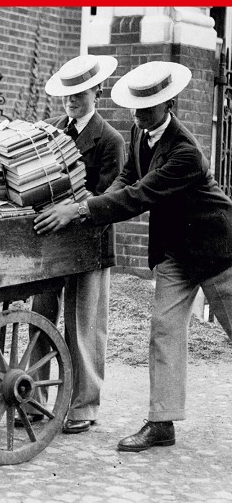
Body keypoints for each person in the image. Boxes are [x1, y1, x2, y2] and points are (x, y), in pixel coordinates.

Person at [34, 60, 232, 452]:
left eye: (147, 107)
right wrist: (91, 206)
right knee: (164, 331)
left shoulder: (186, 153)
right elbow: (128, 177)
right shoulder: (140, 131)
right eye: (135, 107)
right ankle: (162, 423)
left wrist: (79, 209)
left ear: (169, 104)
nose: (138, 114)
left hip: (215, 252)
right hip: (175, 252)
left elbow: (141, 195)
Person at [29, 55, 125, 433]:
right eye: (67, 94)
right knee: (40, 317)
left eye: (80, 93)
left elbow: (109, 199)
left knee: (83, 327)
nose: (71, 100)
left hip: (90, 244)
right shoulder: (52, 130)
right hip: (52, 242)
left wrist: (72, 210)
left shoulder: (110, 140)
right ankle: (33, 398)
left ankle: (83, 405)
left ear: (96, 92)